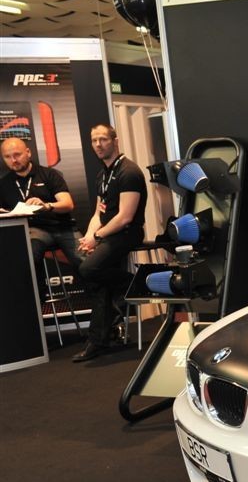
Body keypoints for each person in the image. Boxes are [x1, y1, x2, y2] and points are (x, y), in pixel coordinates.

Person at [73, 124, 148, 362]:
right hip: (108, 234)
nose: (98, 144)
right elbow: (99, 212)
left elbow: (125, 217)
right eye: (94, 140)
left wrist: (97, 237)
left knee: (89, 269)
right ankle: (99, 340)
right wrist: (89, 236)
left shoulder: (129, 172)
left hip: (127, 233)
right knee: (97, 281)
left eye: (103, 139)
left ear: (115, 141)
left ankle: (135, 283)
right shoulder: (103, 174)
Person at [0, 137, 83, 296]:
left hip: (63, 227)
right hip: (34, 231)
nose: (13, 160)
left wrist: (47, 206)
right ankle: (39, 298)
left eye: (17, 155)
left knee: (88, 263)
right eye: (8, 157)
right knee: (27, 257)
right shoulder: (4, 184)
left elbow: (68, 204)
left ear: (28, 152)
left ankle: (102, 303)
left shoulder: (49, 174)